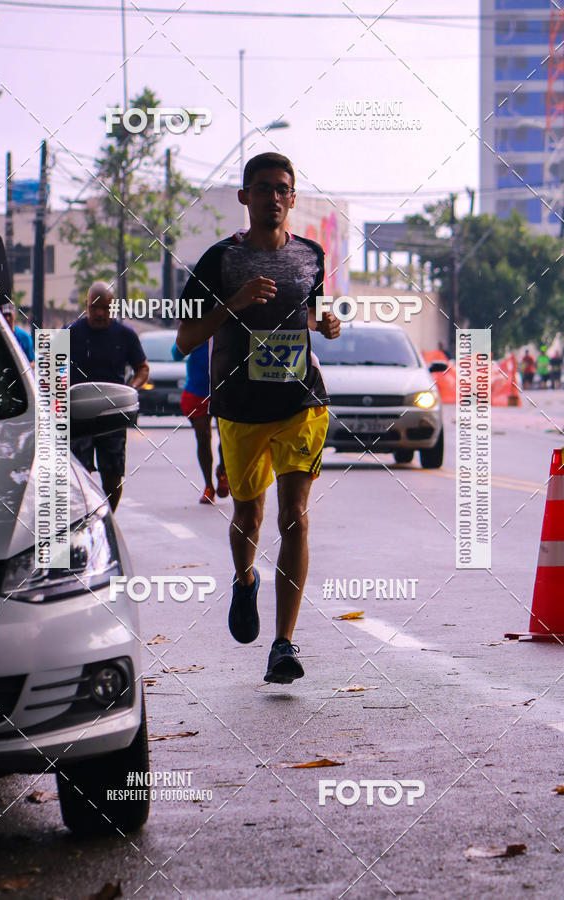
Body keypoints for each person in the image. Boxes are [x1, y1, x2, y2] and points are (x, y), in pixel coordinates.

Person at [176, 152, 341, 684]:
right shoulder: (218, 262)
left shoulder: (311, 256)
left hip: (301, 403)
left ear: (292, 199)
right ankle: (244, 579)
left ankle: (284, 643)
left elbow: (310, 313)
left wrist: (327, 324)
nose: (273, 197)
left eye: (282, 189)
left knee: (295, 515)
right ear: (244, 197)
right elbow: (185, 340)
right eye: (263, 188)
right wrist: (234, 302)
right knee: (248, 517)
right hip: (241, 409)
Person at [69, 281, 149, 512]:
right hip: (77, 415)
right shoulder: (69, 333)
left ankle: (108, 518)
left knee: (112, 475)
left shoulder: (125, 335)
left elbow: (142, 368)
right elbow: (49, 369)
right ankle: (82, 517)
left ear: (112, 307)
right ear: (86, 305)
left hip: (113, 412)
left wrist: (131, 388)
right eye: (95, 307)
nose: (100, 313)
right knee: (77, 473)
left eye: (105, 308)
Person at [171, 339, 229, 504]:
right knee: (203, 437)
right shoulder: (197, 325)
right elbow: (176, 354)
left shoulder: (226, 322)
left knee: (226, 436)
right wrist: (192, 341)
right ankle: (208, 485)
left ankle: (223, 471)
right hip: (197, 391)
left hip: (224, 390)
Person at [0, 301, 35, 366]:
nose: (7, 318)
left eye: (9, 315)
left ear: (15, 315)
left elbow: (32, 362)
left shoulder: (25, 338)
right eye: (5, 315)